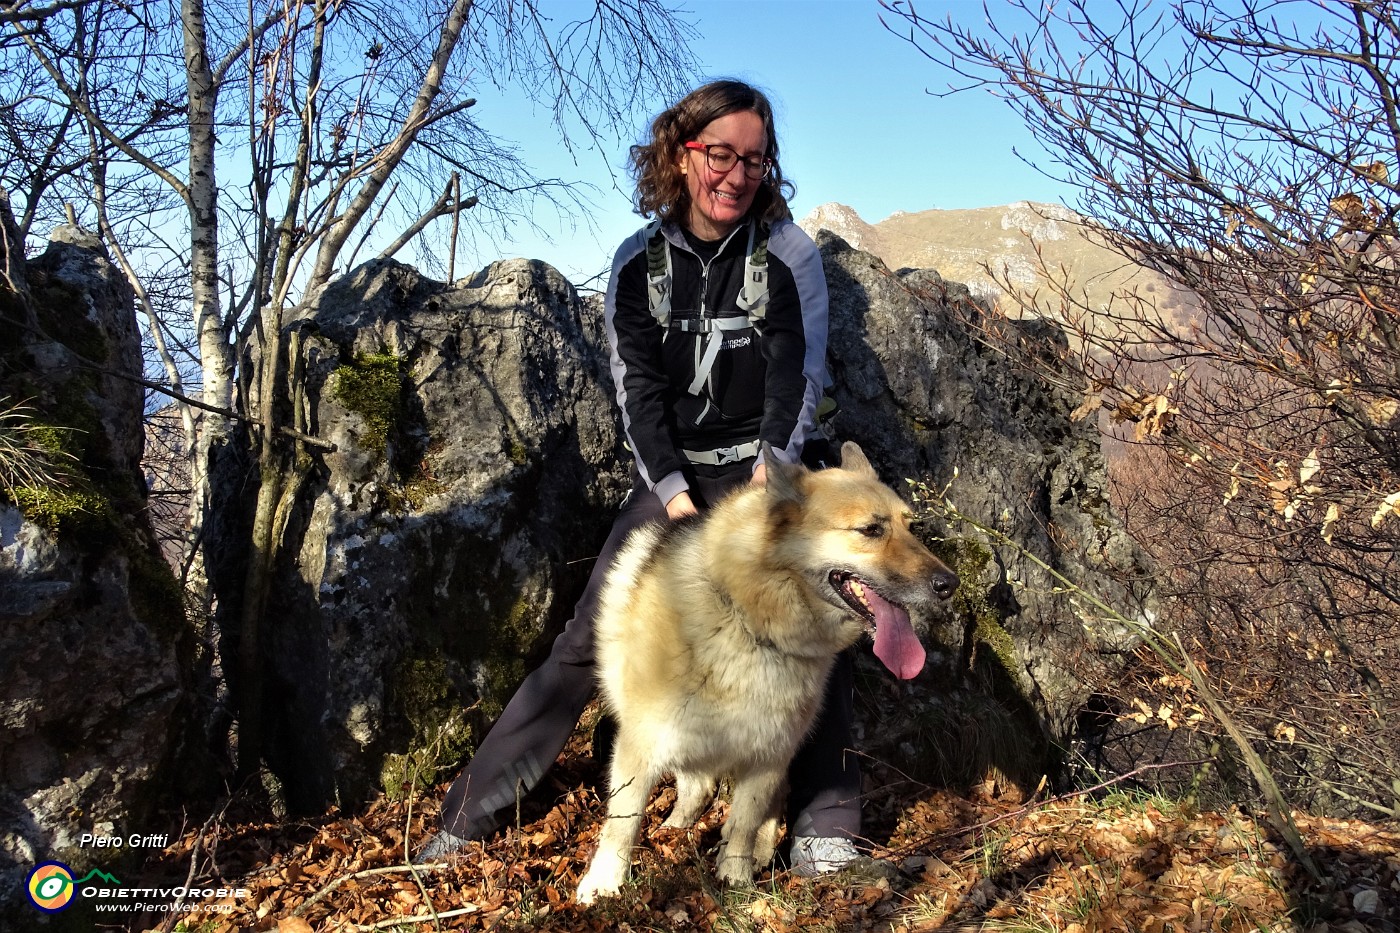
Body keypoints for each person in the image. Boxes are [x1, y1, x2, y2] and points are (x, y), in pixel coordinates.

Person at [418, 79, 862, 876]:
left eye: (754, 160)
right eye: (719, 154)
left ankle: (826, 823)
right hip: (679, 477)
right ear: (681, 153)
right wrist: (675, 495)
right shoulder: (637, 265)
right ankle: (471, 810)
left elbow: (795, 379)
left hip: (778, 471)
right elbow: (640, 395)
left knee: (826, 618)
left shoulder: (788, 255)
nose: (737, 175)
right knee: (592, 637)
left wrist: (772, 478)